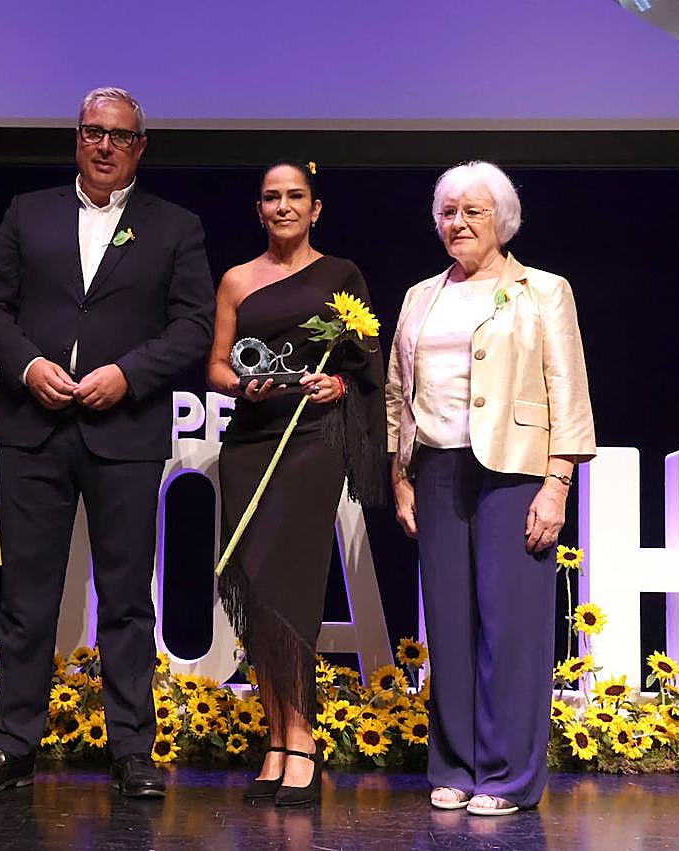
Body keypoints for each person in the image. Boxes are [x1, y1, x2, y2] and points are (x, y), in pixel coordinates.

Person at [0, 87, 215, 797]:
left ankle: (131, 750)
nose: (104, 145)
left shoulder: (176, 226)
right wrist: (29, 365)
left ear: (140, 147)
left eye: (119, 135)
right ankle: (14, 744)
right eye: (91, 132)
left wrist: (127, 375)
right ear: (77, 138)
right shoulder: (28, 211)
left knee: (127, 599)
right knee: (26, 597)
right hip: (31, 427)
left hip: (122, 432)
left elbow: (193, 327)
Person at [385, 161, 595, 815]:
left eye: (473, 211)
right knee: (448, 621)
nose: (458, 223)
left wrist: (557, 485)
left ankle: (507, 776)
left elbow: (570, 392)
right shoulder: (422, 294)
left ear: (502, 219)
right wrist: (399, 474)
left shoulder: (543, 290)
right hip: (439, 468)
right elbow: (398, 392)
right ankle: (455, 763)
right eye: (448, 211)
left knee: (510, 626)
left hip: (515, 470)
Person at [208, 160, 386, 806]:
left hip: (313, 443)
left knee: (293, 583)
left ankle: (304, 737)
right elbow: (218, 366)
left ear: (316, 209)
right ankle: (275, 736)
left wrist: (336, 383)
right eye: (270, 197)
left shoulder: (342, 278)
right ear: (258, 209)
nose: (283, 206)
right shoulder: (235, 280)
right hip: (251, 442)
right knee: (255, 584)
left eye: (295, 197)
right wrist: (240, 384)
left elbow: (364, 364)